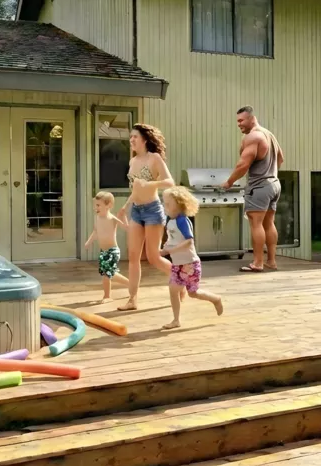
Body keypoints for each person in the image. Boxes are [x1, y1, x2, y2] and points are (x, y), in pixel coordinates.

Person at [117, 123, 174, 311]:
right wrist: (125, 206)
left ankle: (179, 278)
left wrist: (150, 184)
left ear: (145, 139)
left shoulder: (154, 158)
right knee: (133, 256)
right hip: (136, 210)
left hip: (152, 210)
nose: (132, 140)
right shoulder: (133, 161)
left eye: (135, 136)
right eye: (130, 136)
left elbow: (169, 182)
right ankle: (132, 299)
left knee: (153, 257)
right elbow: (136, 188)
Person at [222, 105, 284, 273]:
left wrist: (229, 182)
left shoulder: (253, 137)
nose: (239, 124)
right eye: (237, 121)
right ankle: (271, 261)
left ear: (251, 118)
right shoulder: (269, 134)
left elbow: (243, 165)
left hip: (259, 186)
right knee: (269, 223)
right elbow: (281, 158)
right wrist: (271, 174)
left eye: (241, 120)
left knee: (256, 224)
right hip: (274, 184)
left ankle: (257, 263)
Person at [160, 187, 223, 329]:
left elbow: (189, 241)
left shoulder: (182, 220)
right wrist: (164, 250)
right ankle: (176, 320)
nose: (166, 207)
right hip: (177, 264)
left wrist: (172, 250)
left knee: (193, 293)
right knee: (173, 289)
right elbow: (172, 240)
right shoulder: (170, 221)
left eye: (168, 204)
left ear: (179, 204)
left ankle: (216, 299)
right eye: (165, 203)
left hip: (190, 264)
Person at [84, 192, 128, 301]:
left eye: (98, 205)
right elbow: (95, 231)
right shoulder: (97, 218)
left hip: (112, 251)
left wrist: (124, 216)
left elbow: (126, 228)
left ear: (109, 205)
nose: (96, 208)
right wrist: (89, 242)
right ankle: (131, 284)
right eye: (95, 205)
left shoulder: (112, 219)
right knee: (109, 273)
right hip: (103, 251)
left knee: (107, 275)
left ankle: (107, 296)